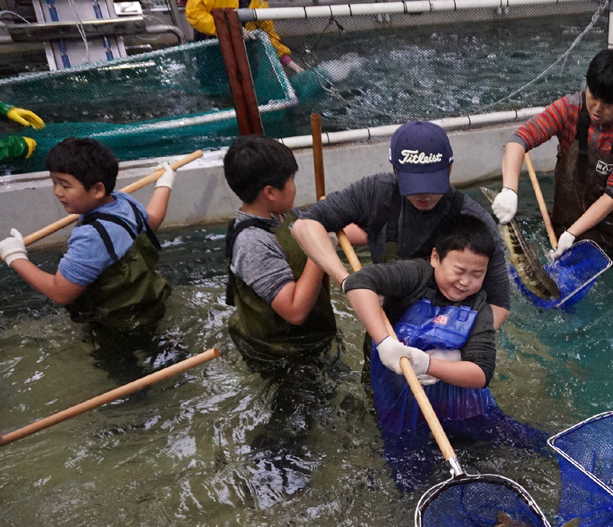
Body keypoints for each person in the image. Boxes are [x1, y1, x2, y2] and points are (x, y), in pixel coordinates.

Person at [342, 214, 542, 490]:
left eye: (477, 274)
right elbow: (357, 283)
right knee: (409, 475)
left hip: (460, 403)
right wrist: (385, 342)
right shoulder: (415, 275)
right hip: (403, 402)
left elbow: (481, 372)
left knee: (516, 441)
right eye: (458, 271)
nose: (465, 283)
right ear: (436, 257)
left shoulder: (478, 307)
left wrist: (427, 364)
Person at [293, 120, 512, 329]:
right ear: (396, 171)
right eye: (413, 184)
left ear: (450, 169)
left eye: (432, 183)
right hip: (385, 322)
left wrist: (454, 344)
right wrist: (350, 284)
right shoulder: (376, 193)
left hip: (450, 328)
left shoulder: (474, 220)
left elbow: (499, 305)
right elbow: (304, 226)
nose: (423, 194)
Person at [492, 49, 613, 267]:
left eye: (608, 104)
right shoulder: (568, 109)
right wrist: (509, 190)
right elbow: (519, 139)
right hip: (567, 220)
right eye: (593, 96)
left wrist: (572, 234)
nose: (597, 108)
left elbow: (612, 195)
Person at [0, 137, 174, 330]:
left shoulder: (91, 237)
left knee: (118, 359)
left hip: (115, 326)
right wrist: (164, 185)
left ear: (98, 190)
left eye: (65, 185)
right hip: (148, 306)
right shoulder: (124, 201)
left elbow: (61, 293)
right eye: (54, 182)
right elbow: (152, 221)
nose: (57, 191)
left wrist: (15, 257)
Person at [222, 135, 337, 371]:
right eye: (291, 180)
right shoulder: (252, 242)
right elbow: (294, 311)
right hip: (281, 357)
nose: (295, 187)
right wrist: (320, 251)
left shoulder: (281, 214)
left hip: (311, 339)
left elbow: (317, 231)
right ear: (270, 192)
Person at [185, 0, 302, 73]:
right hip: (212, 50)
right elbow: (194, 13)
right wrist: (227, 27)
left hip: (246, 53)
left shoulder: (259, 1)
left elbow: (267, 32)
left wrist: (285, 58)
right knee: (215, 93)